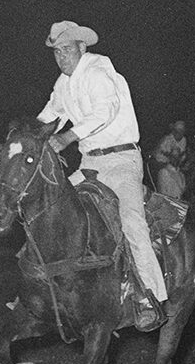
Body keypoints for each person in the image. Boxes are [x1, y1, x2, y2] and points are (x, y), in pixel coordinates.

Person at [36, 20, 166, 330]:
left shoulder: (98, 72)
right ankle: (41, 286)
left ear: (82, 48)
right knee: (50, 208)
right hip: (90, 164)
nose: (61, 57)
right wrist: (25, 135)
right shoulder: (63, 83)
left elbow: (104, 112)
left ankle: (150, 297)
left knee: (133, 221)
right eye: (56, 52)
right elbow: (50, 115)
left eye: (66, 50)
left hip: (120, 160)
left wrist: (67, 138)